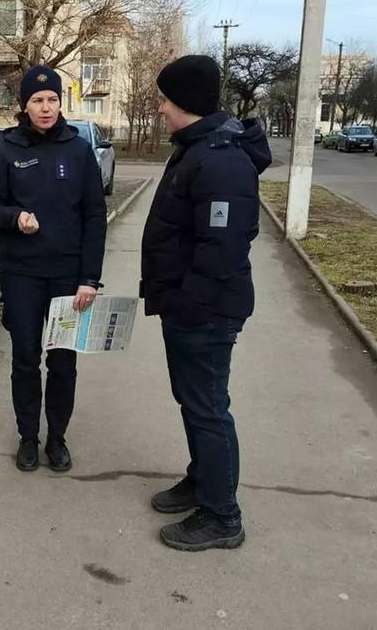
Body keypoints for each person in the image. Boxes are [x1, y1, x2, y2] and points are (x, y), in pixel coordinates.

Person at [139, 55, 272, 551]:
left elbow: (222, 249)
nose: (159, 107)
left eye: (165, 99)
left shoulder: (219, 159)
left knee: (209, 408)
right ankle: (203, 481)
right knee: (194, 403)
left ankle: (222, 516)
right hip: (189, 307)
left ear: (186, 104)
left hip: (205, 312)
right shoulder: (198, 147)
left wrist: (188, 306)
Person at [0, 65, 107, 472]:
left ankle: (58, 439)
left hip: (68, 278)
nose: (46, 107)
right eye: (37, 100)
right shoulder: (9, 150)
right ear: (25, 106)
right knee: (25, 359)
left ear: (60, 102)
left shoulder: (78, 149)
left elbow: (94, 216)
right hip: (22, 276)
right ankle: (28, 438)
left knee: (63, 362)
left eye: (52, 99)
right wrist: (15, 217)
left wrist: (89, 278)